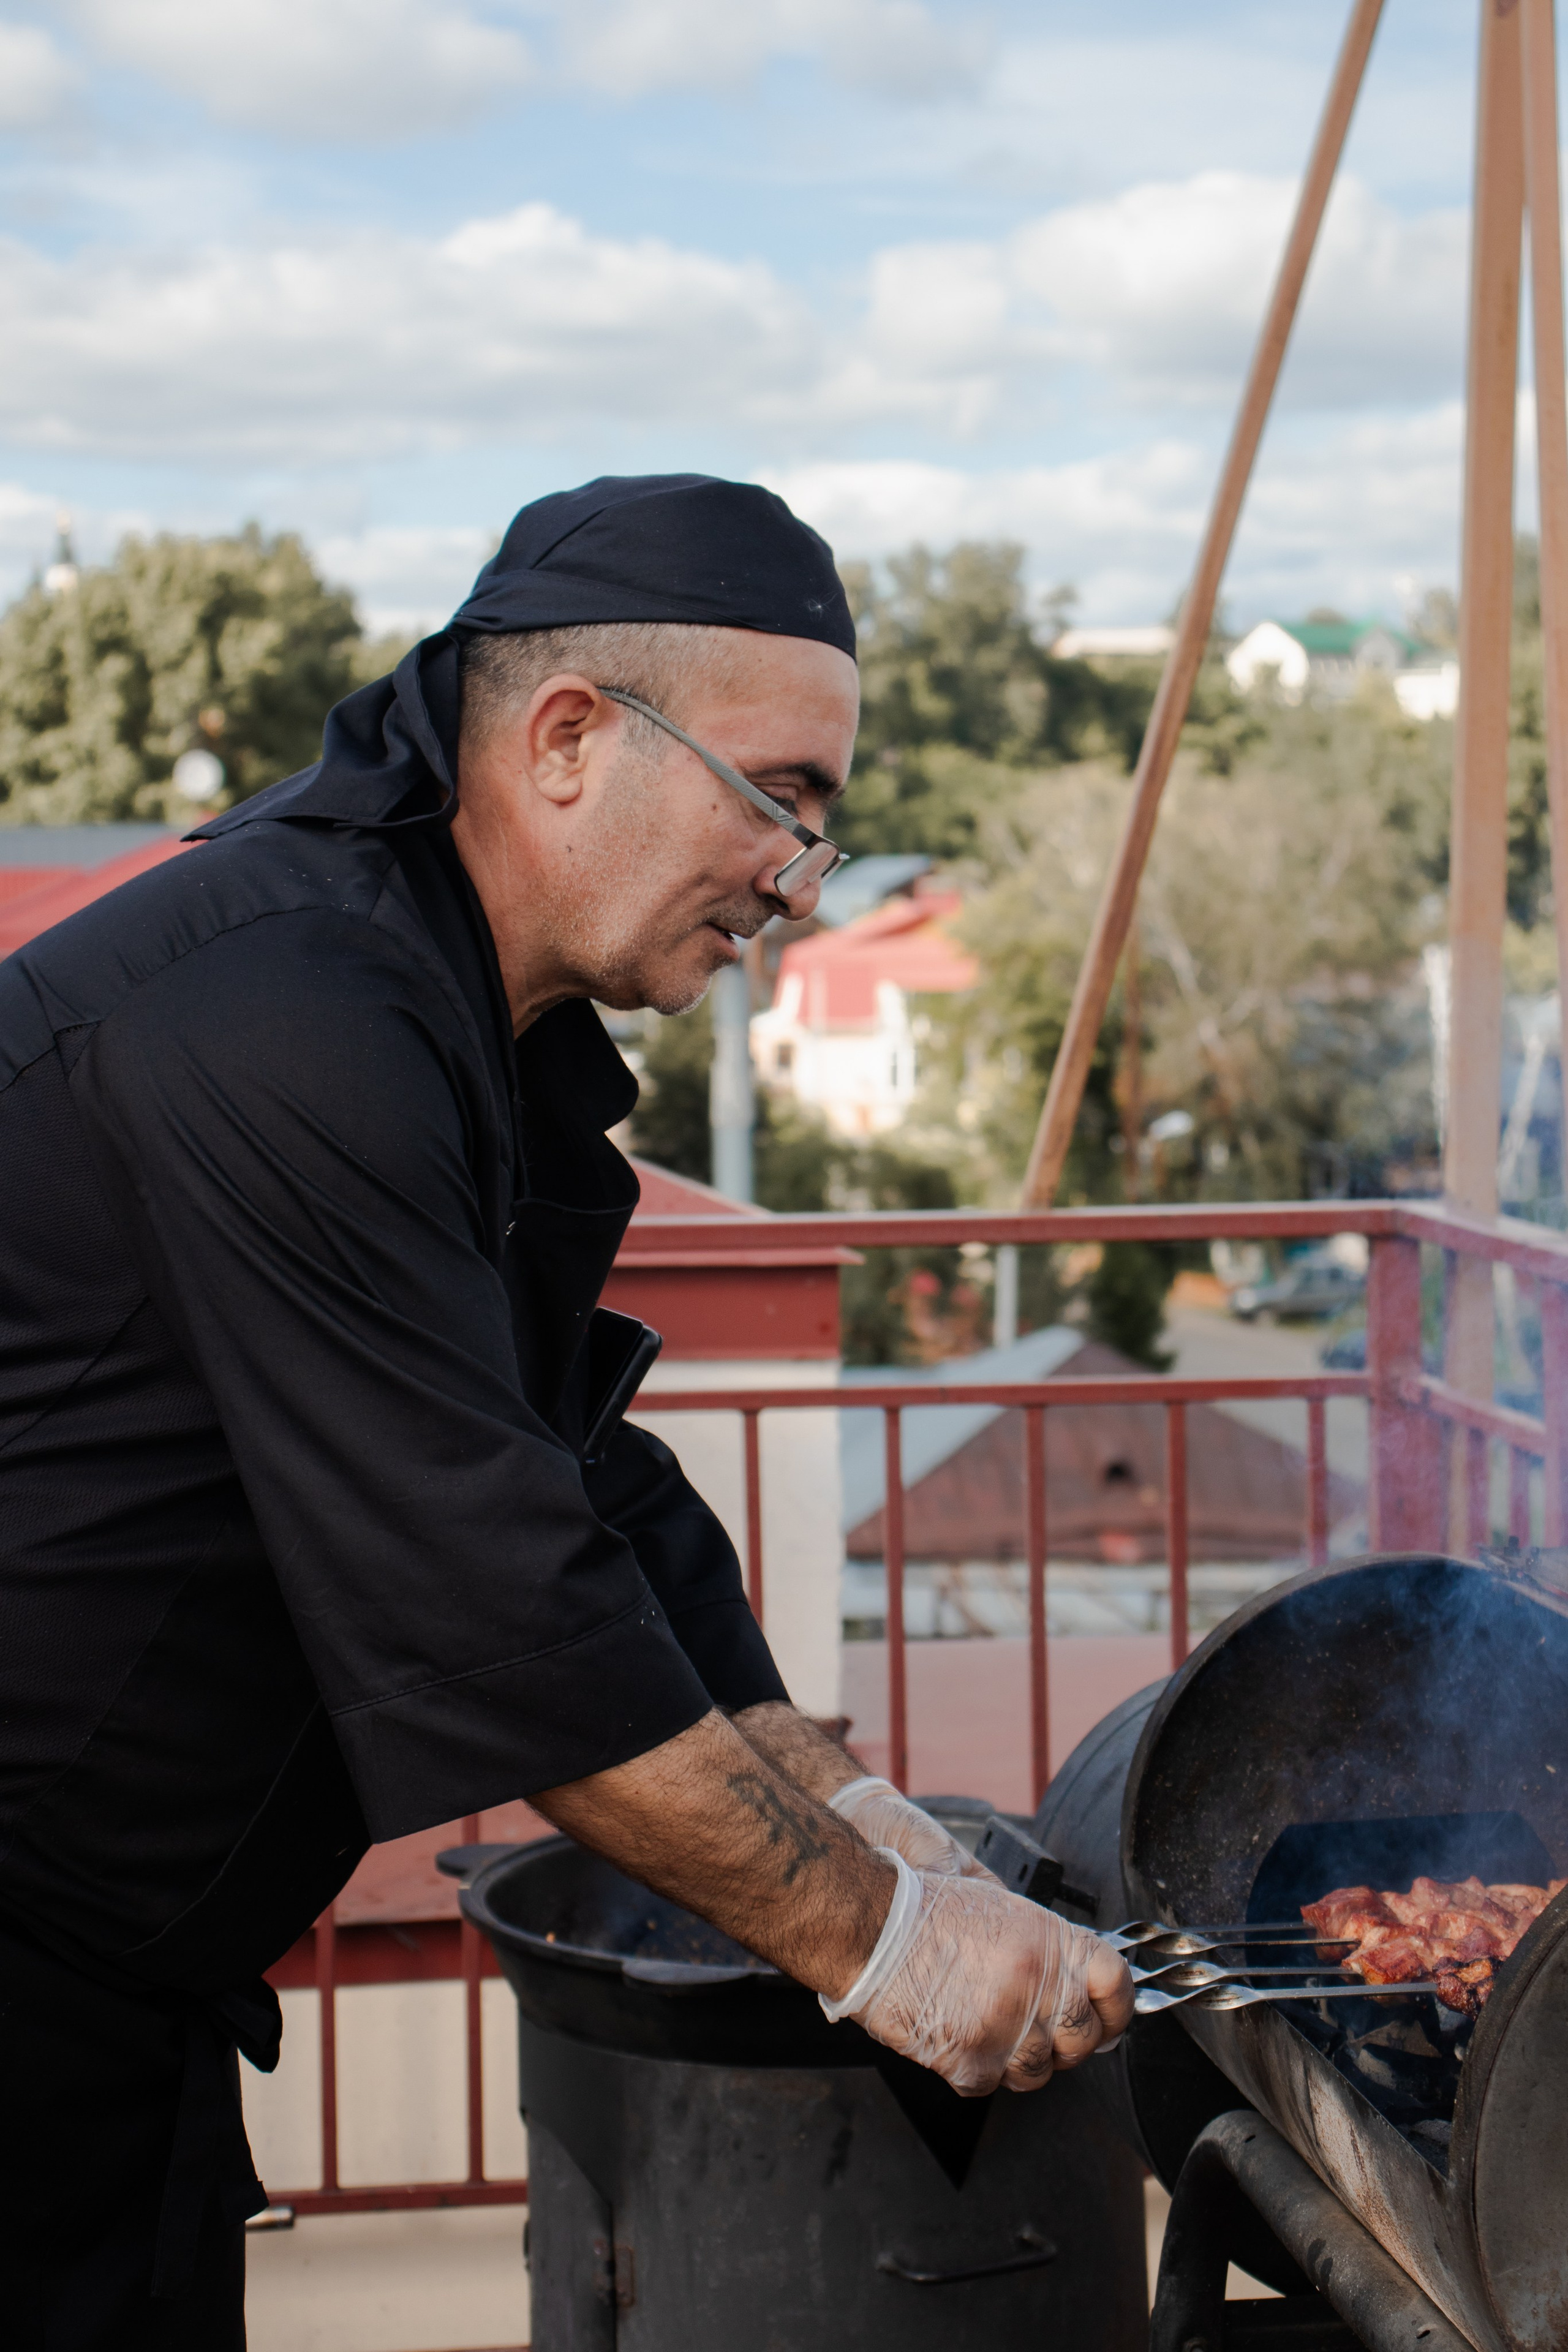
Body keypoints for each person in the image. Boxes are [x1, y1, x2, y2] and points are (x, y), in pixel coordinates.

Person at [0, 473, 1132, 2348]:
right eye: (783, 799)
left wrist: (843, 1789)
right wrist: (893, 1948)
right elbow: (504, 1614)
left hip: (108, 1984)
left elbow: (578, 1477)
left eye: (823, 824)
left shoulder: (448, 1015)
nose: (799, 876)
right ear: (570, 741)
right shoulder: (287, 1014)